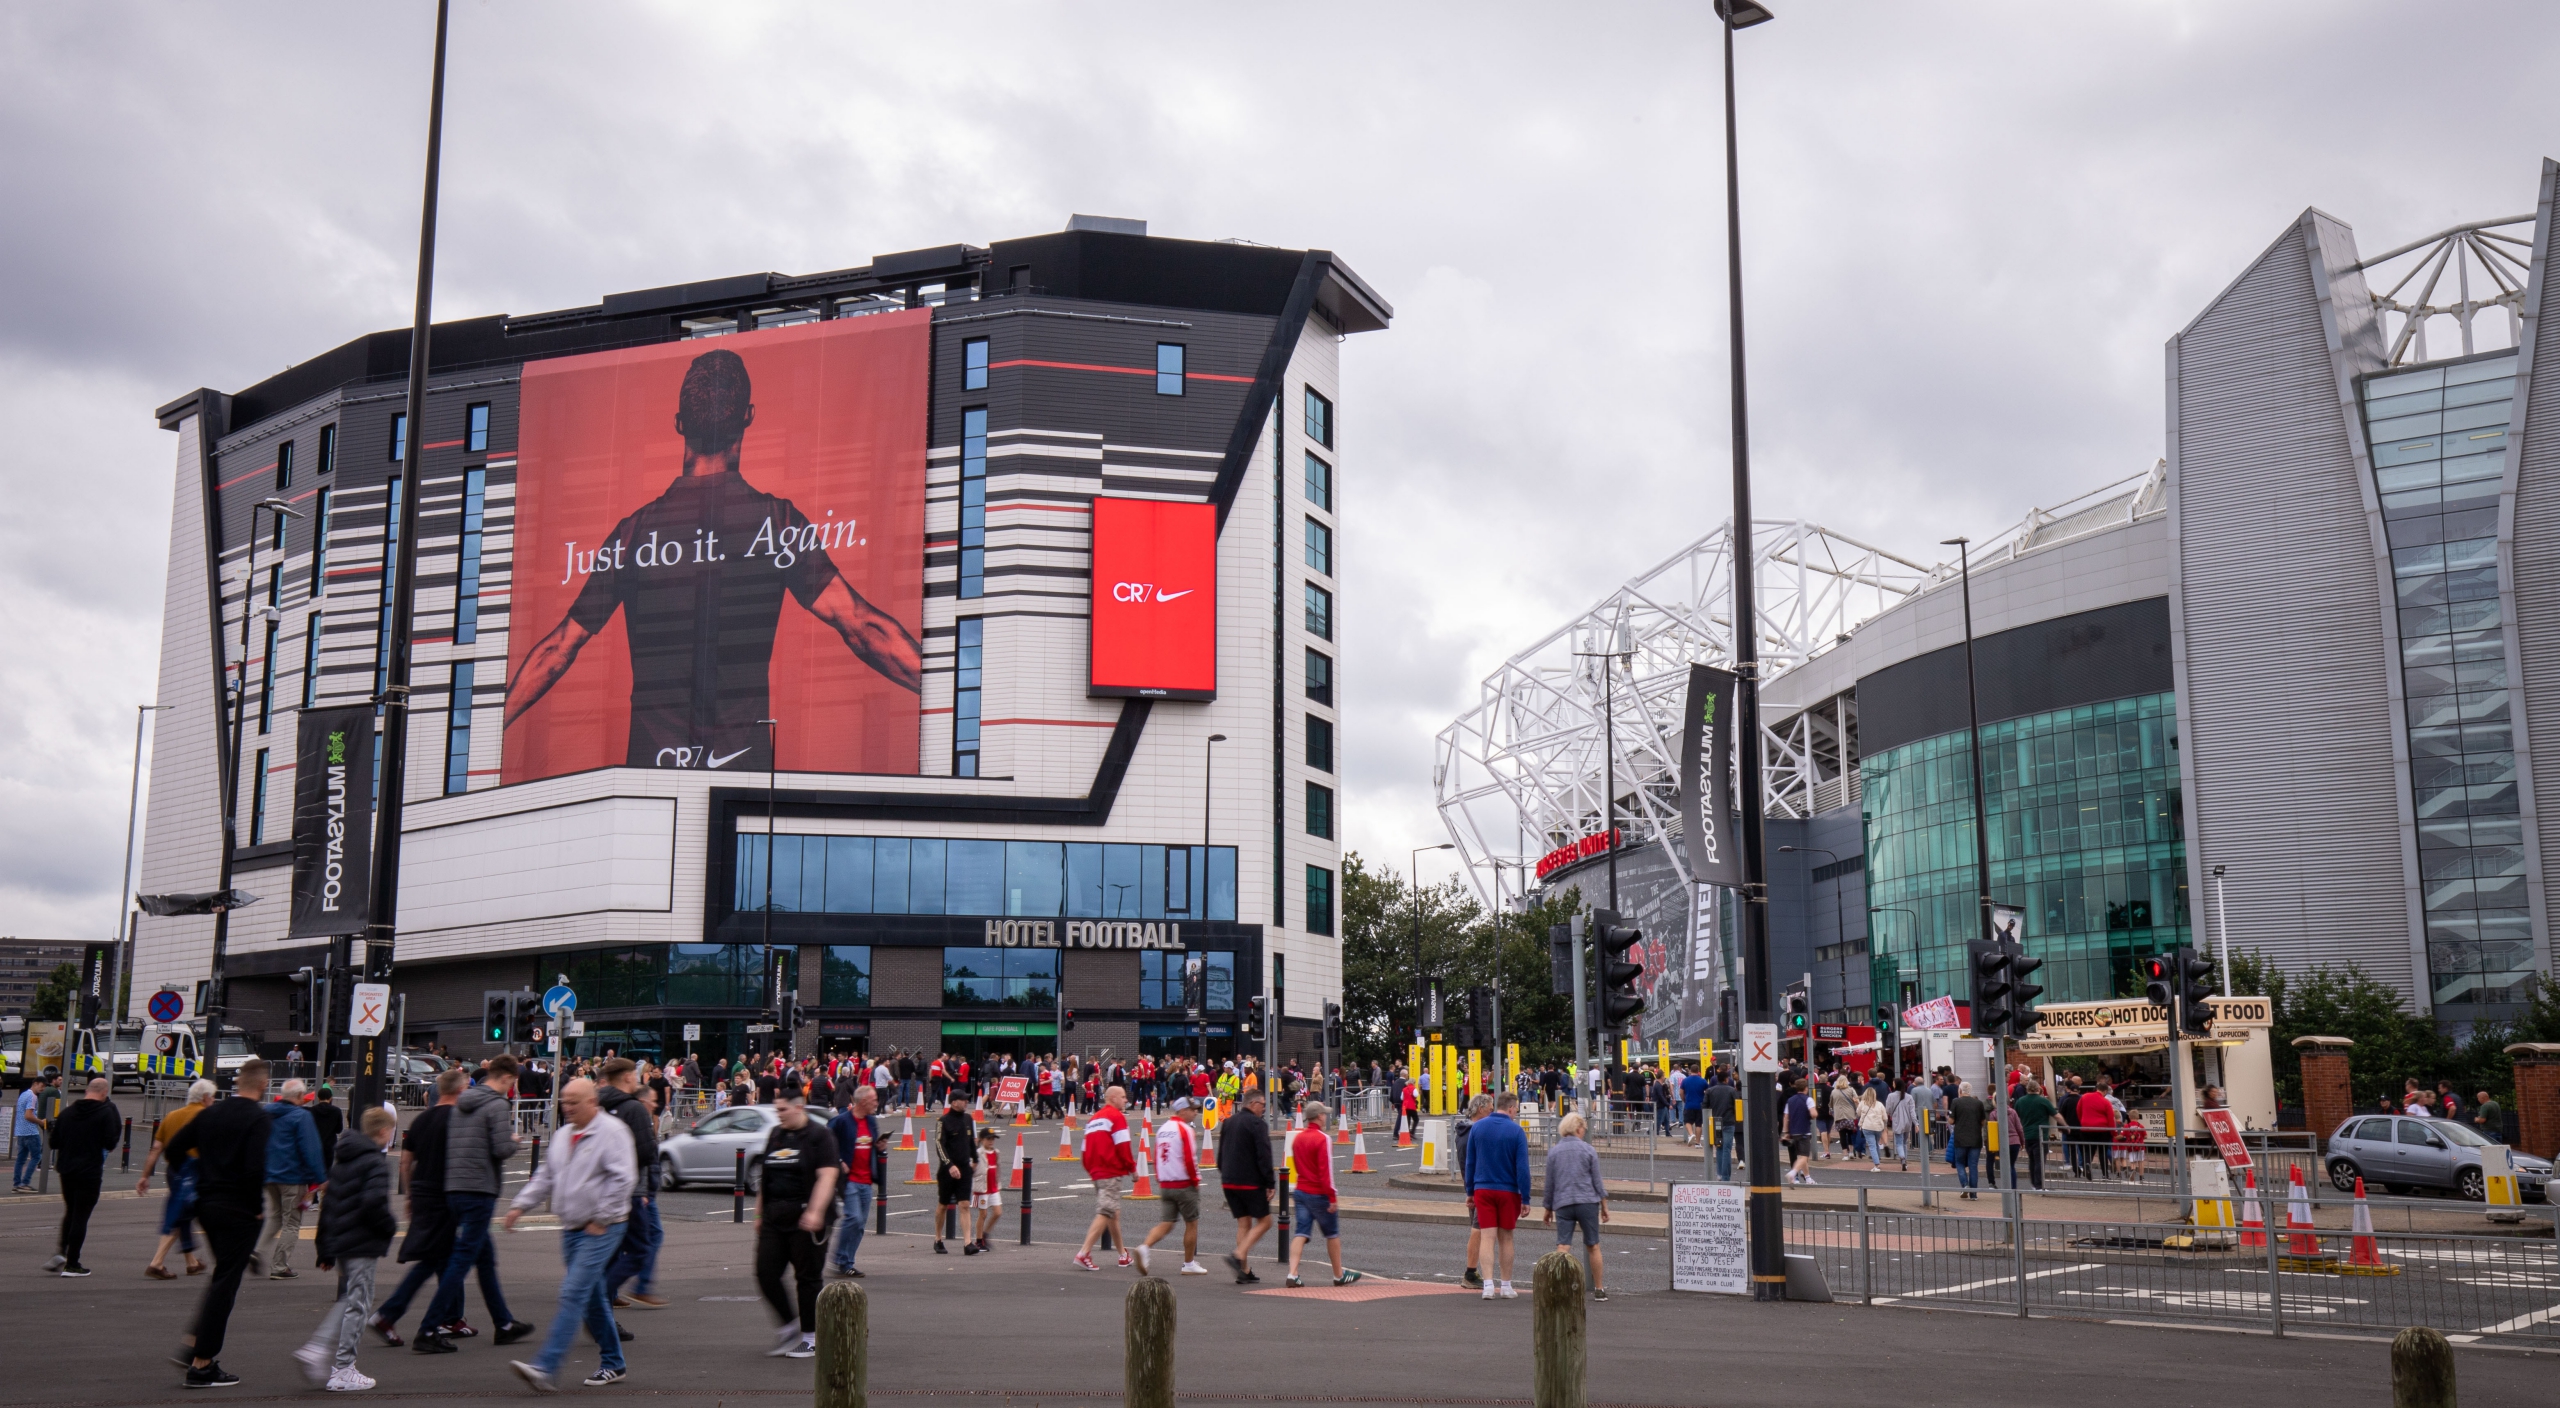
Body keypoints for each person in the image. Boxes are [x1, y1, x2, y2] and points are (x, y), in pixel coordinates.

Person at [504, 346, 925, 771]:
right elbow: (860, 625)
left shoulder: (634, 533)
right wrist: (949, 692)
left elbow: (558, 649)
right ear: (748, 415)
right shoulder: (774, 523)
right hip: (742, 775)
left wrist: (491, 733)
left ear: (679, 424)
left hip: (650, 779)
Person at [504, 1078, 637, 1391]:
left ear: (593, 1102)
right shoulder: (564, 1135)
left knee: (572, 1292)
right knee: (591, 1299)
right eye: (564, 1101)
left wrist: (601, 1218)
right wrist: (519, 1205)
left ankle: (545, 1367)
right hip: (573, 1227)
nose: (567, 1107)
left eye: (574, 1101)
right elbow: (546, 1176)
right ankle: (614, 1364)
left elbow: (624, 1180)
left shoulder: (612, 1132)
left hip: (604, 1227)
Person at [166, 1057, 277, 1389]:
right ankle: (202, 1364)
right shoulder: (259, 1118)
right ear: (263, 1085)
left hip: (207, 1204)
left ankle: (192, 1345)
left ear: (238, 1083)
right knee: (226, 1283)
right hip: (239, 1211)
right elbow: (256, 1167)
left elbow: (174, 1149)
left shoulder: (210, 1113)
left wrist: (199, 1175)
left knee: (221, 1276)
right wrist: (256, 1207)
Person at [421, 1056, 528, 1350]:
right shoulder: (496, 1105)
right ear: (507, 1078)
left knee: (485, 1260)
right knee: (462, 1261)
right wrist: (515, 1140)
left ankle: (504, 1323)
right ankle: (428, 1329)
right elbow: (501, 1148)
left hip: (455, 1188)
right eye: (513, 1082)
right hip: (479, 1190)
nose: (512, 1088)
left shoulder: (462, 1103)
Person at [296, 1106, 402, 1391]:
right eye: (391, 1131)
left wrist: (325, 1249)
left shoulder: (343, 1159)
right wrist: (389, 1227)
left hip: (343, 1240)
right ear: (383, 1131)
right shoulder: (375, 1163)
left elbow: (329, 1206)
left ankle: (318, 1348)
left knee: (351, 1298)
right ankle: (343, 1367)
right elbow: (374, 1204)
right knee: (359, 1302)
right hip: (364, 1240)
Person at [750, 1089, 840, 1359]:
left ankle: (811, 1337)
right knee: (766, 1273)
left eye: (783, 1110)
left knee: (807, 1278)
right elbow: (765, 1177)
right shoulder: (776, 1135)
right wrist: (758, 1214)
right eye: (777, 1110)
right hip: (775, 1217)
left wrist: (815, 1211)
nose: (779, 1115)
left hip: (807, 1218)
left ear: (799, 1107)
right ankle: (790, 1328)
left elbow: (827, 1176)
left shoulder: (819, 1135)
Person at [596, 1059, 666, 1312]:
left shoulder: (594, 1104)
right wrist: (646, 1189)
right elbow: (647, 1152)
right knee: (639, 1249)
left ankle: (602, 1310)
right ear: (627, 1077)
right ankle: (598, 1299)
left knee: (610, 1250)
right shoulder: (634, 1108)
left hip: (598, 1188)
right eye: (635, 1076)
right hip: (629, 1191)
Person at [139, 1078, 218, 1278]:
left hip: (174, 1170)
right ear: (206, 1098)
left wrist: (145, 1175)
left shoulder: (172, 1116)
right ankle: (156, 1263)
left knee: (183, 1214)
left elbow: (156, 1148)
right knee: (182, 1216)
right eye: (214, 1097)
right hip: (197, 1171)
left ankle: (191, 1262)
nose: (214, 1101)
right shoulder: (207, 1116)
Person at [47, 1076, 121, 1277]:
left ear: (87, 1090)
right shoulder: (106, 1112)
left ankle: (61, 1252)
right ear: (104, 1093)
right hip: (89, 1171)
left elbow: (53, 1142)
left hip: (66, 1170)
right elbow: (110, 1142)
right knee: (81, 1215)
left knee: (71, 1211)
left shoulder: (67, 1113)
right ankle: (72, 1264)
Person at [1463, 1092, 1531, 1301]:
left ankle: (1488, 1286)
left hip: (1483, 1188)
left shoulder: (1478, 1128)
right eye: (1516, 1109)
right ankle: (1507, 1286)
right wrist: (1525, 1198)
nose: (1516, 1112)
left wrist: (1470, 1191)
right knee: (1506, 1238)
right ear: (1510, 1108)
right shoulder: (1516, 1131)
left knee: (1487, 1236)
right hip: (1508, 1190)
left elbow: (1470, 1163)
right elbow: (1522, 1169)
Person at [1283, 1102, 1358, 1288]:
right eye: (1324, 1114)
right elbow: (1326, 1172)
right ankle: (1338, 1274)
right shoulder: (1323, 1139)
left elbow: (1298, 1167)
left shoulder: (1298, 1139)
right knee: (1332, 1234)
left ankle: (1292, 1273)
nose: (1326, 1117)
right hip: (1318, 1193)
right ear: (1319, 1117)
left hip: (1300, 1190)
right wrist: (1332, 1197)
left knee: (1301, 1232)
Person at [257, 1079, 326, 1280]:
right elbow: (311, 1149)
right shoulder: (301, 1116)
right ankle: (279, 1266)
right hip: (293, 1176)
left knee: (276, 1216)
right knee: (292, 1223)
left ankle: (257, 1251)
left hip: (270, 1174)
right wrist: (320, 1177)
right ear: (298, 1097)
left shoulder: (268, 1113)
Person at [1135, 1098, 1209, 1275]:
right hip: (1183, 1183)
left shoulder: (1162, 1129)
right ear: (1182, 1110)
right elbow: (1189, 1158)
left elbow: (1157, 1154)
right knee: (1192, 1223)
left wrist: (1160, 1177)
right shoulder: (1185, 1130)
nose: (1195, 1113)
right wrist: (1195, 1180)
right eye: (1193, 1110)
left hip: (1166, 1182)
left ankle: (1145, 1247)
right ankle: (1189, 1263)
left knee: (1167, 1222)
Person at [1542, 1110, 1610, 1301]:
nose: (1584, 1132)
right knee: (1593, 1246)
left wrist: (1548, 1208)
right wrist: (1604, 1206)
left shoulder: (1554, 1152)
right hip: (1587, 1201)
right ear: (1579, 1129)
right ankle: (1599, 1289)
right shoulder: (1588, 1150)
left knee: (1563, 1246)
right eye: (1584, 1128)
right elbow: (1597, 1182)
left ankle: (1556, 1289)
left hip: (1563, 1203)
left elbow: (1550, 1184)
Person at [1073, 1085, 1137, 1271]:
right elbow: (1123, 1146)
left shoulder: (1093, 1120)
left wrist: (1091, 1170)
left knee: (1112, 1213)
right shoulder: (1117, 1117)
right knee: (1106, 1211)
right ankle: (1084, 1252)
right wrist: (1132, 1169)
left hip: (1096, 1172)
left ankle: (1123, 1255)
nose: (1126, 1100)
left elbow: (1084, 1151)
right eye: (1123, 1097)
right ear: (1113, 1098)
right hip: (1111, 1171)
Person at [1216, 1087, 1276, 1284]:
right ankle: (1238, 1254)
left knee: (1244, 1223)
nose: (1264, 1109)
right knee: (1265, 1222)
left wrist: (1224, 1171)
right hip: (1250, 1181)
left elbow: (1221, 1153)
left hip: (1229, 1180)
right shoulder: (1257, 1124)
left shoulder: (1229, 1122)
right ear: (1252, 1104)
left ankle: (1243, 1270)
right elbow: (1264, 1154)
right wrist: (1269, 1182)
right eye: (1262, 1105)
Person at [826, 1084, 879, 1279]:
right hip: (849, 1181)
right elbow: (826, 1140)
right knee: (853, 1218)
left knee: (860, 1224)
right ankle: (840, 1258)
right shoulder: (841, 1121)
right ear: (863, 1101)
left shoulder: (871, 1122)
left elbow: (872, 1145)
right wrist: (839, 1161)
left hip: (866, 1180)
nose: (876, 1103)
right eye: (874, 1100)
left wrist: (879, 1146)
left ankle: (847, 1262)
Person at [934, 1092, 974, 1255]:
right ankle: (938, 1239)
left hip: (965, 1168)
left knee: (964, 1204)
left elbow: (971, 1141)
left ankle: (968, 1243)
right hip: (947, 1170)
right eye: (963, 1100)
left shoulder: (968, 1119)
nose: (966, 1102)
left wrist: (975, 1158)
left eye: (967, 1100)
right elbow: (939, 1144)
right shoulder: (943, 1121)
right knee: (943, 1205)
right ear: (953, 1102)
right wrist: (949, 1165)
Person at [2010, 1079, 2056, 1192]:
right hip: (2040, 1135)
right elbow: (2056, 1115)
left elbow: (2016, 1117)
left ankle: (2034, 1184)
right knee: (2040, 1160)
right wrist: (2065, 1126)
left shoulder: (2020, 1101)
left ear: (2027, 1089)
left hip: (2027, 1134)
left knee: (2032, 1160)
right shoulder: (2043, 1101)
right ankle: (2039, 1185)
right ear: (2038, 1089)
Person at [1947, 1081, 1987, 1198]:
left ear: (1960, 1091)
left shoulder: (1956, 1102)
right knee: (1973, 1165)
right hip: (1975, 1138)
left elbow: (1951, 1120)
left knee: (1959, 1163)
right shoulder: (1978, 1103)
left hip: (1960, 1138)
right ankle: (1974, 1194)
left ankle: (1965, 1185)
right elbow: (1983, 1121)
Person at [967, 1127, 1003, 1254]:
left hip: (993, 1187)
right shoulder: (978, 1153)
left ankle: (985, 1233)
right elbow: (972, 1168)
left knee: (998, 1212)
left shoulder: (996, 1152)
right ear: (982, 1140)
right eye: (988, 1139)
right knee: (983, 1214)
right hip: (982, 1187)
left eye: (993, 1139)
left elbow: (996, 1168)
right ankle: (979, 1240)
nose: (991, 1141)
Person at [13, 1072, 50, 1192]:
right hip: (30, 1131)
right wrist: (40, 1121)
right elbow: (28, 1115)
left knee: (21, 1159)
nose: (43, 1088)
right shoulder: (32, 1097)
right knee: (36, 1156)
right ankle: (25, 1182)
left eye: (44, 1086)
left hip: (20, 1131)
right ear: (35, 1083)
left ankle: (17, 1184)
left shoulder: (23, 1094)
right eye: (42, 1085)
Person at [1704, 1068, 1740, 1181]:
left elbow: (1705, 1106)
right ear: (1725, 1079)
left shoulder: (1711, 1091)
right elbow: (1737, 1105)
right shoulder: (1731, 1090)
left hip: (1716, 1122)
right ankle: (1725, 1177)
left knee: (1719, 1147)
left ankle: (1719, 1174)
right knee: (1727, 1149)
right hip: (1729, 1122)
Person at [1783, 1079, 1817, 1185]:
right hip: (1804, 1131)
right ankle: (1792, 1173)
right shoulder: (1808, 1100)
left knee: (1801, 1156)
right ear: (1806, 1088)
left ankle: (1808, 1178)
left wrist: (1786, 1131)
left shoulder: (1790, 1100)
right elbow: (1814, 1114)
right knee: (1804, 1156)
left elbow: (1786, 1117)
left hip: (1793, 1132)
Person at [311, 1086, 347, 1172]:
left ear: (318, 1098)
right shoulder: (336, 1111)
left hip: (315, 1143)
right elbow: (339, 1129)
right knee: (327, 1170)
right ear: (331, 1098)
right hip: (330, 1144)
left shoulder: (312, 1110)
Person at [1856, 1087, 1889, 1173]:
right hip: (1878, 1127)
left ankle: (1876, 1164)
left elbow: (1858, 1113)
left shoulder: (1862, 1103)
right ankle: (1878, 1161)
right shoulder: (1880, 1104)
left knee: (1872, 1146)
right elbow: (1885, 1117)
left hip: (1867, 1127)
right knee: (1876, 1144)